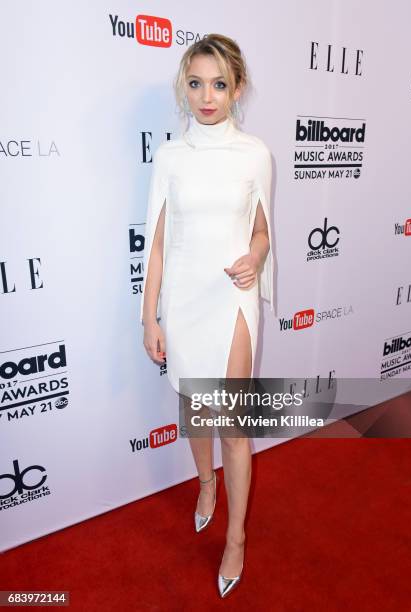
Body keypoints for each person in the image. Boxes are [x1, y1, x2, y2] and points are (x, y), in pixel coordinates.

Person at [140, 33, 274, 598]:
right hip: (187, 297)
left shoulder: (255, 153)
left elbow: (264, 230)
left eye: (219, 84)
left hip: (233, 297)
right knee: (195, 406)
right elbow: (158, 238)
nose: (207, 96)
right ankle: (204, 484)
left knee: (232, 424)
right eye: (196, 83)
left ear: (237, 88)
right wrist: (149, 316)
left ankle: (236, 538)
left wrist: (256, 257)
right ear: (184, 88)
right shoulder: (171, 155)